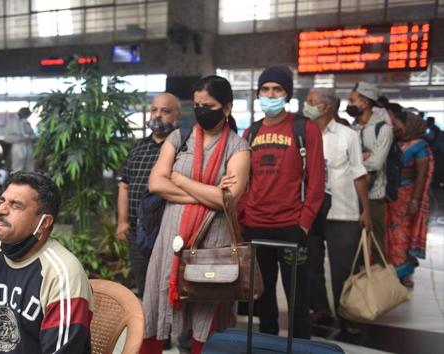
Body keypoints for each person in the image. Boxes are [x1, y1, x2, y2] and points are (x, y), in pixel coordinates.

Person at [141, 75, 251, 354]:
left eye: (209, 105)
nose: (201, 110)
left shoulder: (239, 148)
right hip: (171, 242)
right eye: (198, 104)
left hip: (212, 246)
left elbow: (228, 200)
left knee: (206, 313)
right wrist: (208, 194)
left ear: (226, 108)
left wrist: (179, 179)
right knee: (158, 305)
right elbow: (156, 183)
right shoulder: (180, 138)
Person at [0, 172, 92, 353]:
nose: (1, 211)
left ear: (44, 222)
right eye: (2, 201)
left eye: (16, 205)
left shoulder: (64, 275)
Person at [240, 66, 325, 339]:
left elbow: (316, 182)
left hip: (291, 227)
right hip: (255, 227)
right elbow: (243, 183)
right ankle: (267, 346)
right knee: (262, 300)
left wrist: (303, 224)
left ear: (287, 94)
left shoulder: (305, 129)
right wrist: (242, 221)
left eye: (277, 89)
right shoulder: (250, 133)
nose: (270, 94)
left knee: (298, 301)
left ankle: (299, 347)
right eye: (265, 90)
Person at [303, 88, 372, 333]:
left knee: (344, 266)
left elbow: (358, 173)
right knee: (310, 262)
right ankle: (319, 308)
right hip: (309, 210)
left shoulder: (347, 136)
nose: (306, 105)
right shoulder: (302, 134)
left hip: (342, 209)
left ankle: (347, 313)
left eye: (311, 101)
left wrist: (366, 211)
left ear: (326, 107)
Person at [117, 92, 182, 298]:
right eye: (154, 110)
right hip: (137, 232)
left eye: (165, 111)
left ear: (176, 117)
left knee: (168, 288)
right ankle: (148, 330)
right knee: (144, 289)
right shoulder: (138, 148)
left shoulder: (183, 148)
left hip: (167, 230)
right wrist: (122, 221)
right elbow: (124, 186)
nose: (157, 115)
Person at [385, 112, 433, 288]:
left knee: (402, 235)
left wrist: (415, 200)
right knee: (389, 233)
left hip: (406, 196)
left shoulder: (420, 147)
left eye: (398, 124)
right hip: (391, 195)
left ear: (410, 125)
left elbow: (421, 176)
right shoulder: (396, 143)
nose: (396, 128)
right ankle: (389, 270)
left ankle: (404, 272)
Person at [348, 81, 393, 264]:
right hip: (352, 196)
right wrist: (363, 155)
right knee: (354, 245)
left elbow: (376, 162)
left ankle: (381, 285)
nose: (349, 104)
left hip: (374, 196)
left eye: (352, 100)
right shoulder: (352, 129)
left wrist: (355, 158)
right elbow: (342, 160)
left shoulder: (383, 129)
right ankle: (358, 287)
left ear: (365, 103)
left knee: (377, 242)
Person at [10, 107, 36, 172]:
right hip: (18, 147)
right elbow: (7, 138)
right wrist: (21, 138)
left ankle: (29, 181)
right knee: (18, 169)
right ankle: (17, 181)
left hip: (29, 147)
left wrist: (30, 137)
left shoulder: (27, 122)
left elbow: (33, 134)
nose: (27, 117)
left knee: (30, 168)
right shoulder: (12, 122)